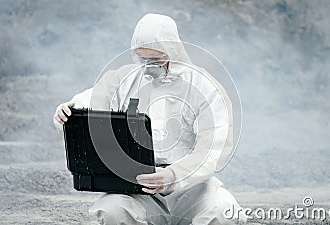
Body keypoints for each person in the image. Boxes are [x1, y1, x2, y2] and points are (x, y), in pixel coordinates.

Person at [53, 13, 247, 225]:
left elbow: (213, 148)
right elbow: (94, 101)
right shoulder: (127, 80)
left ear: (173, 52)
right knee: (112, 211)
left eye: (155, 60)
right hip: (140, 188)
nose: (148, 66)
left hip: (191, 188)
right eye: (141, 58)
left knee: (224, 212)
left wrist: (173, 175)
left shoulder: (203, 87)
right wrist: (68, 111)